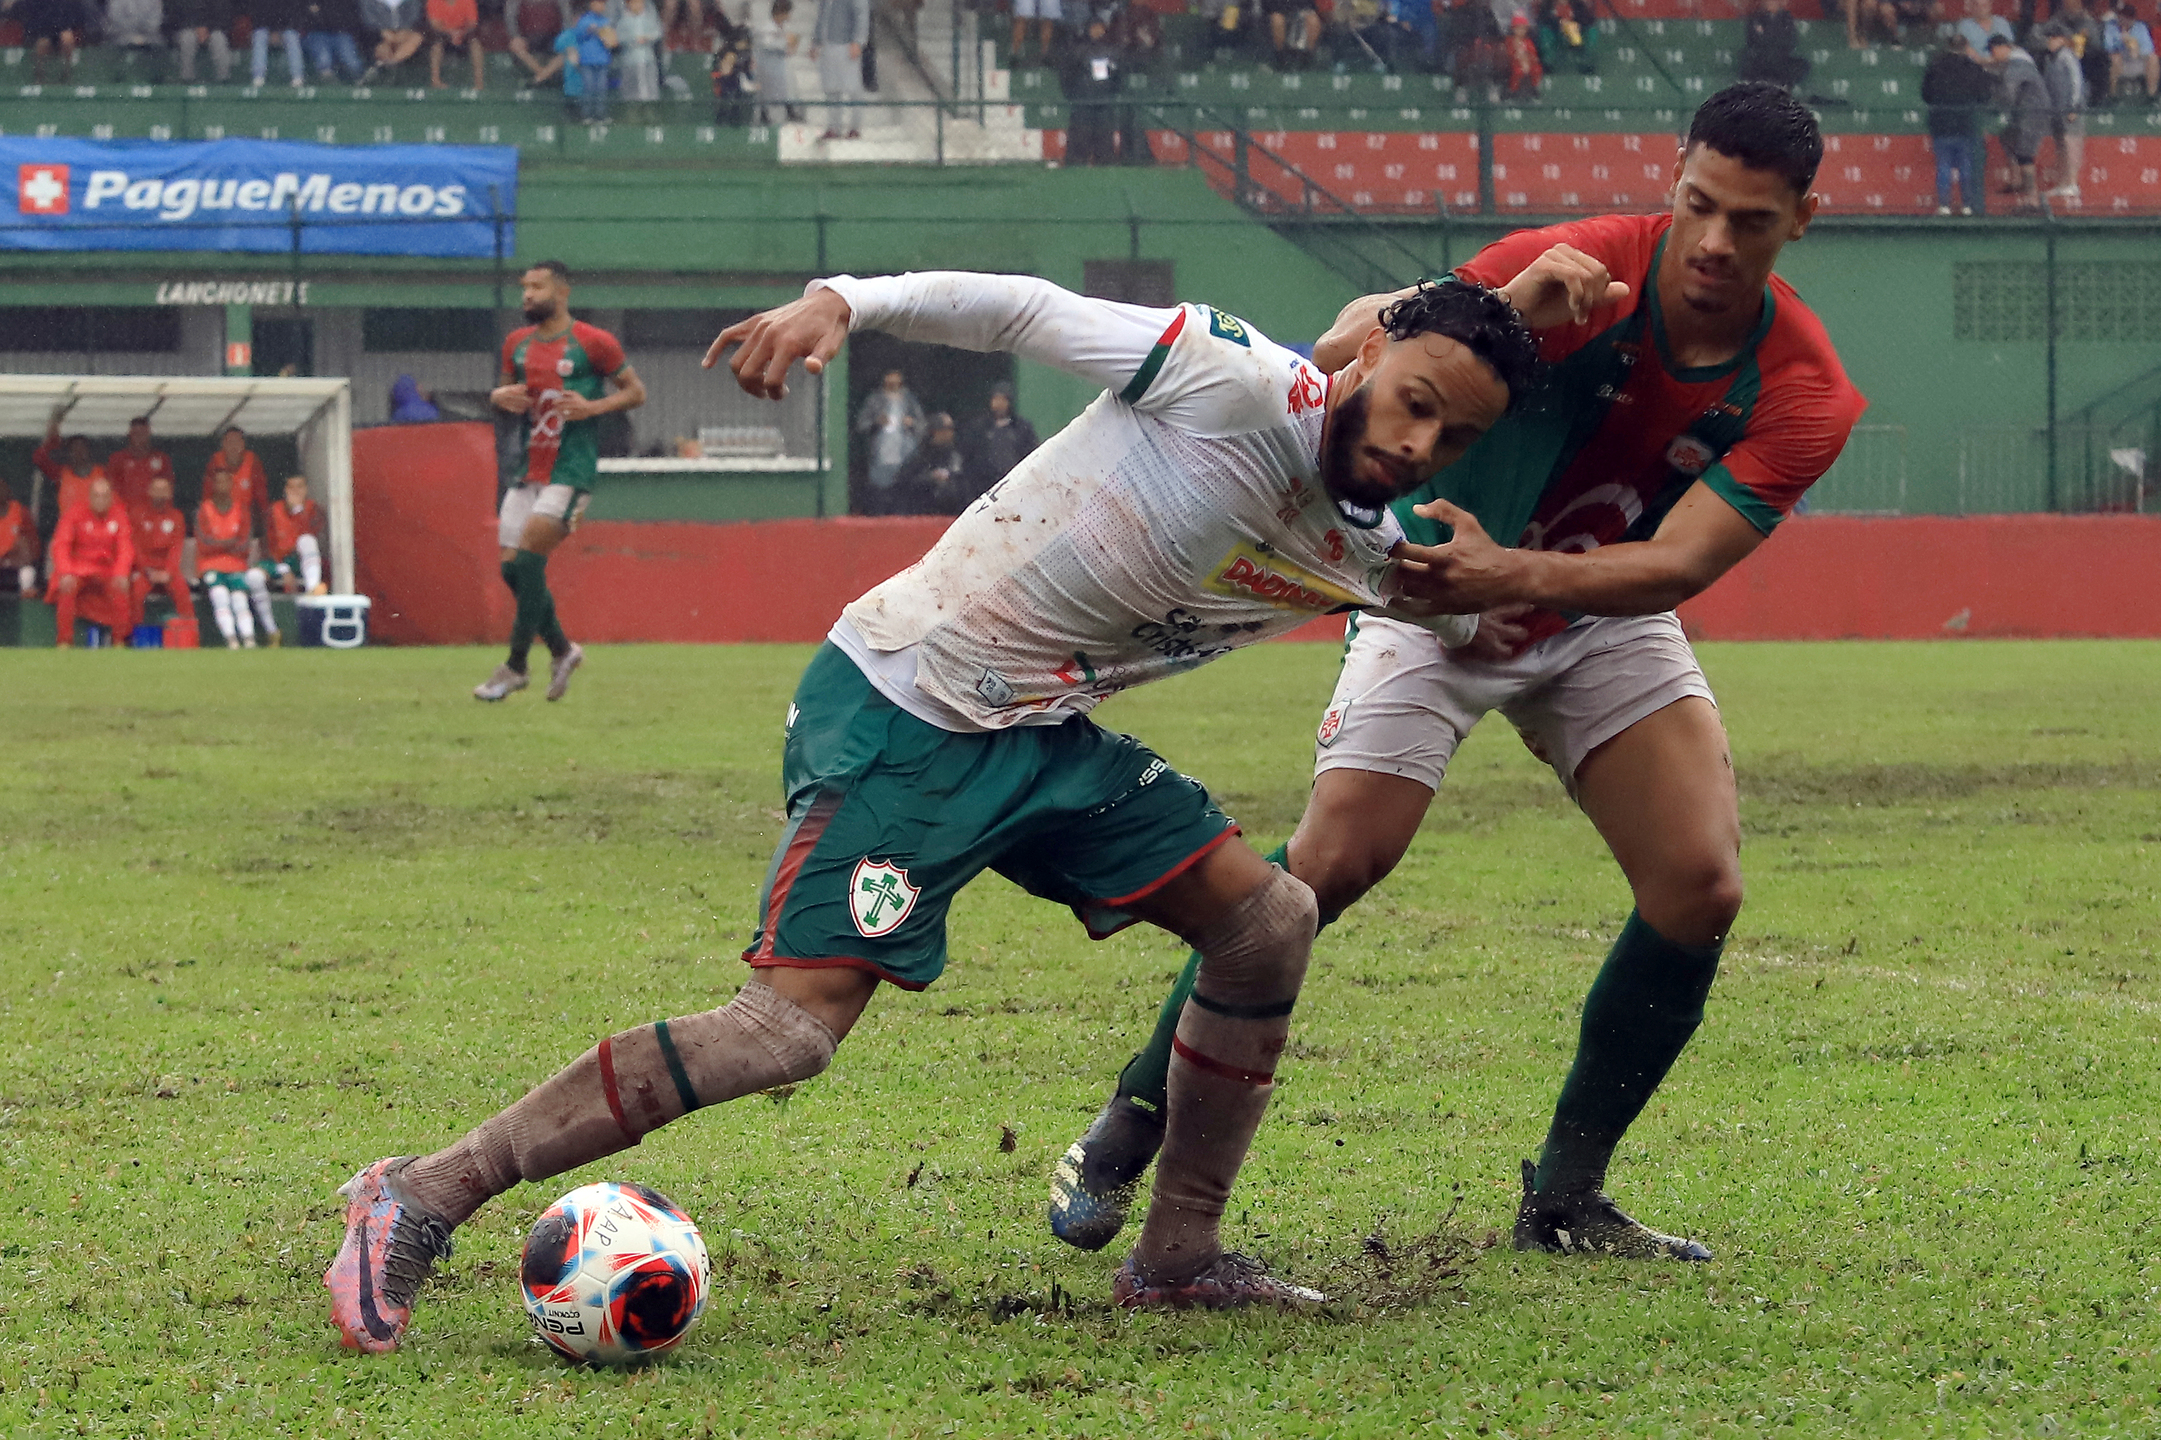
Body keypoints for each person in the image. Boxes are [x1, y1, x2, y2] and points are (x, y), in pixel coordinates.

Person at [322, 256, 1540, 1353]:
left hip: (1042, 735)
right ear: (1368, 356)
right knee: (785, 1033)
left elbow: (1484, 610)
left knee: (1268, 918)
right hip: (908, 697)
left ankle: (1178, 1260)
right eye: (1415, 401)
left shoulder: (1384, 548)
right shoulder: (1226, 375)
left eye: (1455, 434)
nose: (1421, 442)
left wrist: (1495, 580)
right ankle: (423, 1191)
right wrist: (842, 300)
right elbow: (1022, 308)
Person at [1052, 82, 1866, 1268]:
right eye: (1697, 205)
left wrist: (1514, 578)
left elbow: (1679, 564)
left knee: (1699, 886)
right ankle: (1126, 1124)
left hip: (1586, 604)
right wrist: (1492, 309)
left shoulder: (1804, 389)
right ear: (1672, 178)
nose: (1711, 242)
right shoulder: (1581, 268)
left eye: (1749, 221)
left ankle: (1566, 1199)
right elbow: (1354, 348)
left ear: (1803, 219)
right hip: (1426, 592)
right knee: (1325, 871)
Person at [476, 260, 645, 703]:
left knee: (529, 563)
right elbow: (505, 393)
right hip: (527, 467)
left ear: (562, 293)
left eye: (536, 287)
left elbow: (635, 392)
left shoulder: (593, 342)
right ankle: (563, 650)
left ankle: (514, 666)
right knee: (512, 569)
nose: (527, 296)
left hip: (570, 469)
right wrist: (498, 397)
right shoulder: (516, 344)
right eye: (524, 288)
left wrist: (593, 408)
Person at [47, 477, 134, 647]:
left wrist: (121, 573)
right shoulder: (74, 513)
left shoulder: (120, 515)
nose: (100, 500)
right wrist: (65, 572)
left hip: (107, 569)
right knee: (66, 587)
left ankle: (119, 641)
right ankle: (64, 641)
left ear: (111, 498)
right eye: (96, 496)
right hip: (78, 567)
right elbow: (61, 545)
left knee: (121, 589)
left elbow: (126, 548)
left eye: (105, 496)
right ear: (89, 497)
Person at [195, 464, 265, 648]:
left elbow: (244, 545)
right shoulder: (204, 510)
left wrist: (220, 545)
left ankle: (248, 638)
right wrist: (228, 543)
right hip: (210, 565)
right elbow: (204, 545)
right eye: (218, 481)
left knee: (239, 599)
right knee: (220, 596)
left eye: (226, 481)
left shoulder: (242, 510)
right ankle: (231, 638)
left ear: (232, 484)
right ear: (212, 485)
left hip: (237, 565)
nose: (222, 485)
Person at [1924, 34, 1994, 212]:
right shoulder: (1973, 68)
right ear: (1966, 47)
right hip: (1966, 123)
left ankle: (1944, 206)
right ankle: (1968, 205)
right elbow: (1984, 96)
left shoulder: (1935, 67)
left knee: (1943, 165)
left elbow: (1926, 94)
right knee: (1966, 165)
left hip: (1941, 123)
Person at [1988, 33, 2049, 207]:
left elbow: (2009, 91)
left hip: (2033, 113)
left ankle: (2032, 200)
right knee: (2007, 138)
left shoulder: (2018, 63)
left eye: (1993, 51)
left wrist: (1997, 108)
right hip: (2022, 112)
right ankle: (2016, 182)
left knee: (2024, 154)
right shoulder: (2016, 61)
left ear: (2002, 48)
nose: (1993, 56)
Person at [852, 368, 924, 511]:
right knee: (880, 490)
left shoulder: (909, 400)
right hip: (880, 454)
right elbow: (861, 425)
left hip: (905, 453)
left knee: (902, 489)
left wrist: (912, 423)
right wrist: (876, 422)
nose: (893, 384)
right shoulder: (874, 400)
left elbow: (922, 425)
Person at [1059, 14, 1124, 164]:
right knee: (1080, 135)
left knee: (1104, 138)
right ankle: (1076, 162)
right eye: (1093, 28)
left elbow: (1119, 76)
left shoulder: (1112, 50)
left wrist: (1111, 93)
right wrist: (1073, 94)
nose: (1096, 31)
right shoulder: (1077, 50)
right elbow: (1066, 75)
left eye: (1099, 28)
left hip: (1104, 102)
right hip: (1083, 102)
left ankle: (1105, 161)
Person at [130, 474, 192, 629]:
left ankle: (189, 634)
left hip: (168, 570)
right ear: (149, 491)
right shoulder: (137, 514)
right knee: (135, 593)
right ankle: (133, 637)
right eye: (156, 490)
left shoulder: (177, 516)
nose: (160, 494)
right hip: (145, 570)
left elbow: (176, 548)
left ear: (170, 492)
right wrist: (147, 571)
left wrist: (168, 572)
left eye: (164, 490)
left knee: (182, 590)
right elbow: (135, 547)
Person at [32, 417, 107, 532]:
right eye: (74, 449)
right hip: (70, 534)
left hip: (97, 533)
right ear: (69, 453)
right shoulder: (62, 474)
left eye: (82, 448)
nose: (79, 453)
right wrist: (54, 440)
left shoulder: (103, 473)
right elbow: (39, 458)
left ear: (89, 451)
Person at [963, 382, 1038, 496]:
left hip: (1014, 487)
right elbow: (971, 458)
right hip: (984, 488)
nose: (998, 404)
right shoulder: (980, 428)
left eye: (1002, 400)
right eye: (995, 399)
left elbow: (1031, 455)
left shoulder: (1022, 428)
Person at [2040, 19, 2087, 198]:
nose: (2049, 41)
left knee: (2071, 144)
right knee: (2060, 146)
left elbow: (2077, 82)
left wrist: (2074, 106)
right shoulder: (2049, 58)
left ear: (2061, 39)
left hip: (2070, 110)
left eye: (2052, 37)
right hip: (2056, 110)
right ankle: (2062, 183)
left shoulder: (2068, 55)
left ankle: (2073, 183)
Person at [885, 411, 966, 514]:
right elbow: (904, 482)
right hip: (923, 514)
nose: (950, 433)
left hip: (951, 514)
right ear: (935, 431)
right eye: (946, 429)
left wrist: (950, 477)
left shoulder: (956, 454)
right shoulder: (921, 456)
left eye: (951, 429)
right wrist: (930, 477)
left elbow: (964, 483)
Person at [261, 473, 327, 596]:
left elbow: (315, 538)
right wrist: (284, 568)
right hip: (279, 561)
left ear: (306, 489)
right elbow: (268, 545)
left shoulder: (314, 509)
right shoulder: (274, 510)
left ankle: (313, 588)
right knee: (255, 576)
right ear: (285, 490)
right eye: (291, 487)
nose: (295, 491)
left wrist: (299, 512)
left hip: (304, 560)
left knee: (307, 540)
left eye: (299, 487)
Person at [812, 0, 869, 139]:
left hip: (846, 45)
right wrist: (815, 42)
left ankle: (855, 127)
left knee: (853, 88)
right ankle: (833, 128)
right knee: (831, 88)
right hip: (827, 45)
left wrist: (858, 41)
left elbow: (862, 16)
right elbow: (821, 18)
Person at [106, 416, 175, 518]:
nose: (139, 438)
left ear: (149, 434)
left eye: (142, 434)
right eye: (136, 434)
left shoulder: (161, 459)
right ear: (129, 435)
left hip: (153, 516)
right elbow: (112, 491)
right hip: (126, 515)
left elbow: (167, 490)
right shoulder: (118, 459)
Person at [205, 425, 268, 528]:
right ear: (223, 444)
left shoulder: (252, 461)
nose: (233, 446)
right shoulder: (215, 461)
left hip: (246, 517)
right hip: (221, 516)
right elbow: (207, 496)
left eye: (237, 442)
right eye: (229, 442)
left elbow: (261, 496)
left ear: (243, 444)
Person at [753, 0, 804, 122]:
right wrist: (786, 42)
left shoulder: (783, 28)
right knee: (767, 93)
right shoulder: (766, 27)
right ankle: (764, 115)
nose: (789, 16)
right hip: (767, 66)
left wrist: (790, 45)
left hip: (779, 65)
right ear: (781, 13)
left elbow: (786, 48)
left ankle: (789, 111)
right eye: (787, 13)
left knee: (784, 90)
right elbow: (768, 43)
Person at [1738, 0, 1809, 88]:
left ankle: (1779, 83)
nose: (1771, 3)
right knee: (1748, 63)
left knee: (1801, 66)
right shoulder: (1756, 18)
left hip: (1780, 59)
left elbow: (1791, 41)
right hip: (1761, 59)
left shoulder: (1786, 18)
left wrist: (1768, 38)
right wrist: (1771, 39)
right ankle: (1763, 82)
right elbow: (1751, 40)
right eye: (1768, 1)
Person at [569, 0, 617, 121]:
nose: (600, 6)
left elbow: (612, 41)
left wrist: (608, 39)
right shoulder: (584, 20)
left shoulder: (606, 21)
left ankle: (601, 115)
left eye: (602, 4)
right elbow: (578, 35)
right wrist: (589, 30)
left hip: (602, 60)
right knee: (588, 88)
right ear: (591, 5)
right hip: (587, 60)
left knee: (601, 89)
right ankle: (587, 115)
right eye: (597, 3)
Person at [300, 0, 369, 80]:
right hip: (318, 33)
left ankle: (361, 80)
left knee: (352, 64)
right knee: (324, 62)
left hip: (342, 33)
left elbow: (354, 16)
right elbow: (305, 12)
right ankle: (328, 82)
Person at [506, 0, 571, 83]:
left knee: (569, 48)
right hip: (528, 39)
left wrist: (565, 38)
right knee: (515, 45)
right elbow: (510, 20)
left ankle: (538, 78)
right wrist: (516, 36)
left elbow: (567, 20)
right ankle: (544, 75)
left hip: (553, 38)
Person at [20, 0, 85, 82]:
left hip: (63, 28)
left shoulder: (69, 3)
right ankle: (39, 76)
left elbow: (76, 19)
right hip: (44, 31)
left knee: (67, 38)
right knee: (42, 44)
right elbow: (32, 18)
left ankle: (67, 73)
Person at [2107, 1, 2159, 102]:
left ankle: (2151, 96)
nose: (2125, 19)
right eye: (2122, 16)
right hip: (2120, 60)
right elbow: (2108, 47)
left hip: (2138, 60)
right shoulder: (2111, 27)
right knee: (2115, 58)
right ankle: (2112, 96)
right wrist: (2121, 42)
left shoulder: (2141, 27)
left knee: (2153, 59)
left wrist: (2136, 48)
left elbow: (2149, 48)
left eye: (2128, 17)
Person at [171, 0, 235, 81]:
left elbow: (225, 15)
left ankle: (223, 80)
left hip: (212, 30)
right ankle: (187, 80)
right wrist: (195, 27)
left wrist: (208, 28)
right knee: (187, 38)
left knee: (219, 39)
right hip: (186, 29)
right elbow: (174, 16)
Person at [615, 0, 664, 105]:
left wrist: (647, 38)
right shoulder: (624, 21)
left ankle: (649, 109)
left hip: (647, 59)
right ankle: (632, 111)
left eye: (640, 3)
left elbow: (657, 32)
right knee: (631, 87)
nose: (638, 5)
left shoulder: (648, 19)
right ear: (628, 5)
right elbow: (619, 38)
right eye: (634, 3)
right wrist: (632, 40)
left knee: (649, 85)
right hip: (630, 60)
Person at [360, 0, 427, 75]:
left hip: (403, 34)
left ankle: (391, 63)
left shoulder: (412, 2)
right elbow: (369, 22)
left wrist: (402, 32)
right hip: (380, 36)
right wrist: (384, 33)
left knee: (416, 38)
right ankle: (383, 71)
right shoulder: (368, 2)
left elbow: (415, 19)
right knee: (383, 48)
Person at [426, 0, 483, 87]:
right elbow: (435, 25)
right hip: (444, 35)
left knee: (475, 45)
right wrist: (451, 33)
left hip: (463, 34)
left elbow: (472, 23)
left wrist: (461, 33)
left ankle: (478, 83)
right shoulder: (434, 1)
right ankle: (436, 81)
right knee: (436, 46)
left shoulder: (468, 1)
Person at [250, 0, 308, 83]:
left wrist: (278, 31)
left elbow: (293, 13)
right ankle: (258, 77)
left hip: (286, 28)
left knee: (292, 38)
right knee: (259, 37)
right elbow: (259, 14)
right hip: (265, 28)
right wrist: (272, 31)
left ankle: (297, 77)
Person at [107, 0, 168, 77]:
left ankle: (156, 76)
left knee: (159, 44)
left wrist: (142, 35)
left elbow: (156, 19)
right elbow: (115, 19)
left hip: (150, 35)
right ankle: (119, 75)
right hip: (123, 35)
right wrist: (133, 35)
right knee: (118, 43)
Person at [1534, 0, 1594, 75]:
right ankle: (1548, 64)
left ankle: (1586, 64)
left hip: (1574, 32)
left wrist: (1578, 24)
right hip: (1554, 32)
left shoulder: (1577, 4)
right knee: (1545, 33)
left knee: (1591, 32)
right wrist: (1559, 22)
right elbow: (1543, 19)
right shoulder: (1548, 4)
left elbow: (1587, 19)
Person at [0, 480, 35, 597]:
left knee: (28, 572)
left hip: (15, 564)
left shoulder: (20, 511)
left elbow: (30, 544)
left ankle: (26, 603)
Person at [1504, 10, 1541, 95]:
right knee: (1517, 72)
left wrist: (1528, 61)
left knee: (1537, 69)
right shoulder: (1509, 40)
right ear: (1513, 29)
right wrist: (1519, 59)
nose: (1521, 31)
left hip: (1528, 63)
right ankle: (1513, 90)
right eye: (1518, 28)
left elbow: (1533, 54)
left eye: (1523, 28)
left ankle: (1534, 89)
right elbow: (1509, 54)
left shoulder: (1528, 41)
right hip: (1515, 63)